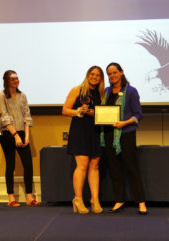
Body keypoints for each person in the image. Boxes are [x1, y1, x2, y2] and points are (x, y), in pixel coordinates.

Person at [100, 62, 147, 215]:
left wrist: (124, 123)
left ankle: (141, 202)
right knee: (114, 170)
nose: (112, 76)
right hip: (108, 135)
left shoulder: (131, 91)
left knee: (132, 169)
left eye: (114, 72)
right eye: (109, 73)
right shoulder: (106, 91)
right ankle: (119, 200)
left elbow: (138, 114)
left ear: (121, 72)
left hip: (126, 134)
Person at [62, 66, 105, 214]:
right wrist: (79, 111)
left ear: (101, 78)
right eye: (92, 74)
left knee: (95, 166)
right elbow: (65, 110)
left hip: (95, 131)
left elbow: (103, 114)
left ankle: (95, 199)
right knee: (82, 165)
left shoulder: (102, 93)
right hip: (79, 130)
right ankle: (78, 199)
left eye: (98, 75)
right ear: (87, 75)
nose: (94, 77)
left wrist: (94, 113)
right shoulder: (77, 90)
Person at [0, 70, 40, 207]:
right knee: (11, 165)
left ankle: (29, 197)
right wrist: (15, 135)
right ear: (7, 81)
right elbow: (3, 116)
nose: (16, 81)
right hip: (8, 133)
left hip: (22, 132)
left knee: (28, 164)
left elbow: (27, 116)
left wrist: (26, 136)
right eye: (13, 79)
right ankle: (11, 198)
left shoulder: (23, 96)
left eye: (17, 78)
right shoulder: (2, 95)